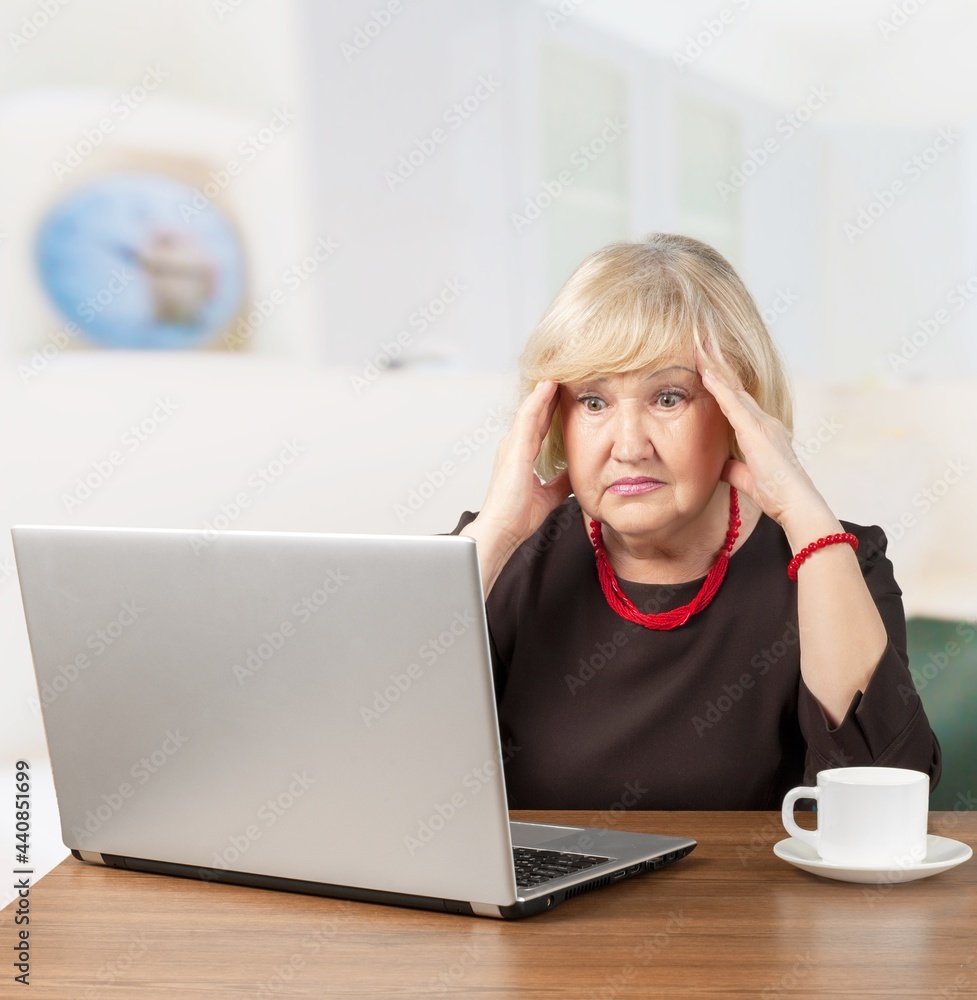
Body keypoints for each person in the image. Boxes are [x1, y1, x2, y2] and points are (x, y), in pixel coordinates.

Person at [453, 233, 941, 810]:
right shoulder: (496, 560)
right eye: (592, 401)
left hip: (744, 904)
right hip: (543, 903)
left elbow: (883, 803)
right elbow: (376, 757)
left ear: (741, 409)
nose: (629, 446)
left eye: (668, 398)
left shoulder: (837, 559)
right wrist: (498, 533)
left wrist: (804, 513)